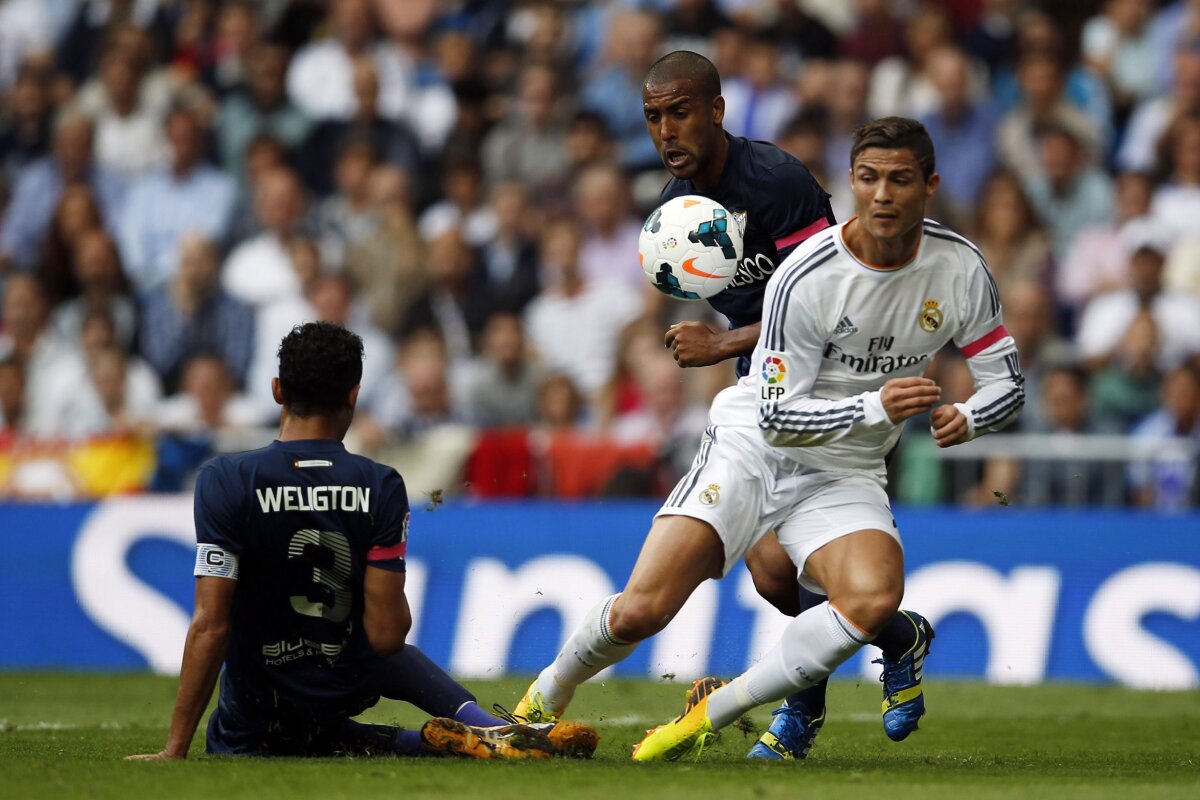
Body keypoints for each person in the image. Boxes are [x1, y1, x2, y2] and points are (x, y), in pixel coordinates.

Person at [514, 117, 1024, 763]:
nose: (884, 195)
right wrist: (877, 402)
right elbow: (780, 415)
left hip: (846, 467)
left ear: (930, 185)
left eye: (900, 180)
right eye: (869, 179)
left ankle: (717, 712)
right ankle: (541, 700)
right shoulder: (807, 275)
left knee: (868, 596)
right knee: (644, 610)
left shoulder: (960, 269)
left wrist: (973, 417)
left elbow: (1006, 381)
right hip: (755, 447)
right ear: (852, 184)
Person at [625, 50, 934, 761]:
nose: (665, 129)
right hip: (766, 390)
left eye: (678, 111)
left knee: (792, 564)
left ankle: (801, 708)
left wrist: (722, 342)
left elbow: (827, 302)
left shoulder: (777, 180)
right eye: (652, 116)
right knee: (771, 574)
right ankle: (893, 636)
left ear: (716, 110)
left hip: (836, 388)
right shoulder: (678, 212)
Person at [126, 322, 597, 761]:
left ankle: (452, 740)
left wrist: (174, 748)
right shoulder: (380, 484)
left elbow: (211, 626)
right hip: (341, 681)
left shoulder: (225, 479)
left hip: (258, 713)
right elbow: (389, 636)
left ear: (277, 391)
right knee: (377, 654)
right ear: (352, 397)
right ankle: (480, 728)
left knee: (267, 729)